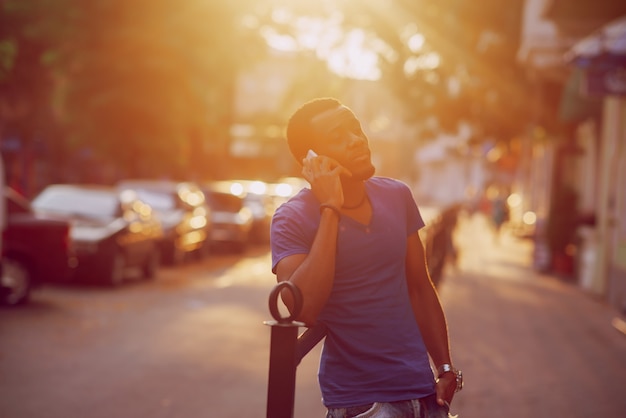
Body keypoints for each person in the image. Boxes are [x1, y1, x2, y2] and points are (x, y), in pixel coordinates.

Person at [270, 98, 463, 418]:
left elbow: (419, 287)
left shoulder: (397, 195)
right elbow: (304, 308)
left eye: (355, 128)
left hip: (425, 395)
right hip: (362, 403)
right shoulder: (292, 217)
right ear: (312, 160)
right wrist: (330, 207)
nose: (356, 140)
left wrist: (445, 369)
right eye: (338, 137)